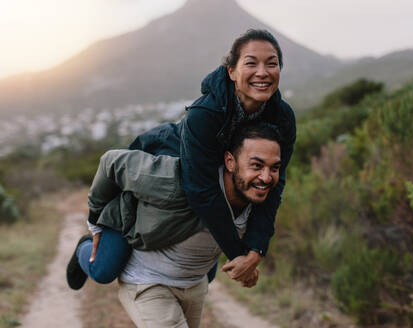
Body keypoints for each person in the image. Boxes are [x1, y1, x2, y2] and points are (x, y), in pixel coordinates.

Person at [67, 28, 296, 289]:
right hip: (171, 172)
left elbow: (274, 186)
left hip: (205, 191)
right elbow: (203, 192)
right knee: (105, 269)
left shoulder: (283, 118)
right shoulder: (205, 114)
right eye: (251, 63)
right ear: (231, 71)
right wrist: (239, 255)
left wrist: (256, 250)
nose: (262, 72)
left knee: (201, 276)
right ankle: (83, 250)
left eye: (272, 63)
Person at [75, 122, 283, 328]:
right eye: (256, 165)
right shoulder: (178, 180)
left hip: (193, 282)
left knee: (208, 271)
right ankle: (82, 250)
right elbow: (111, 162)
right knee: (103, 270)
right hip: (146, 277)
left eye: (274, 168)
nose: (266, 177)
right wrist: (95, 224)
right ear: (230, 161)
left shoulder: (262, 200)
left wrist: (249, 260)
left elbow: (250, 239)